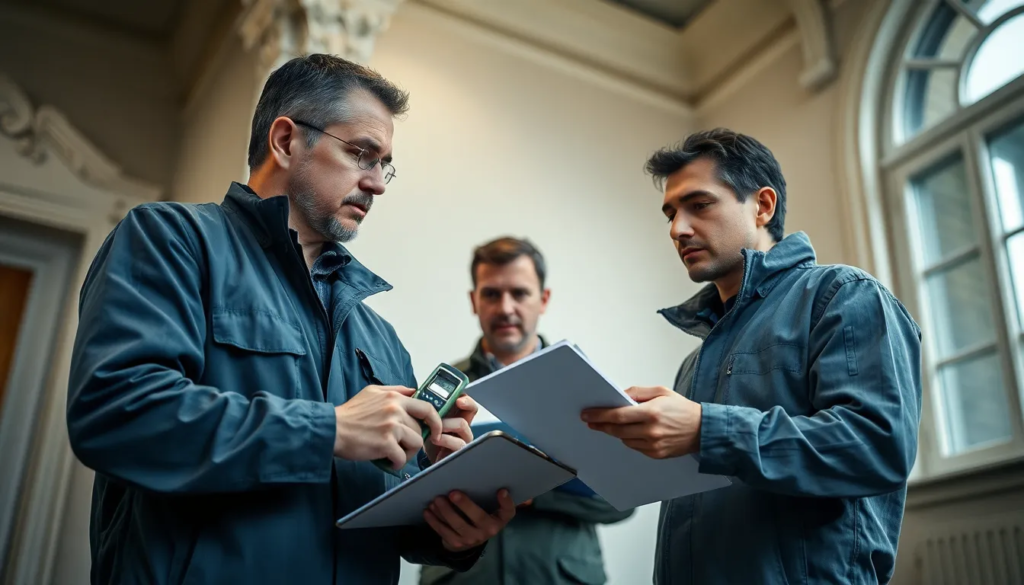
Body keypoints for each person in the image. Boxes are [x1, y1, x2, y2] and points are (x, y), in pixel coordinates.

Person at [65, 54, 515, 585]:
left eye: (384, 164)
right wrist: (328, 429)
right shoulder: (171, 240)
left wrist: (449, 524)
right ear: (285, 141)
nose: (378, 184)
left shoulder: (380, 338)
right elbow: (116, 413)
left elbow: (387, 517)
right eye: (362, 154)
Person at [581, 129, 922, 584]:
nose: (677, 229)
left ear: (763, 205)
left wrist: (706, 429)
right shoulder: (693, 363)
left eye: (698, 205)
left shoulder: (843, 295)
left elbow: (877, 445)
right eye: (670, 213)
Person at [419, 237, 634, 585]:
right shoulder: (442, 391)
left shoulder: (585, 386)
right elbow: (411, 493)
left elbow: (623, 498)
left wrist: (535, 493)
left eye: (519, 293)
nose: (505, 308)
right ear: (474, 301)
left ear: (543, 299)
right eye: (491, 294)